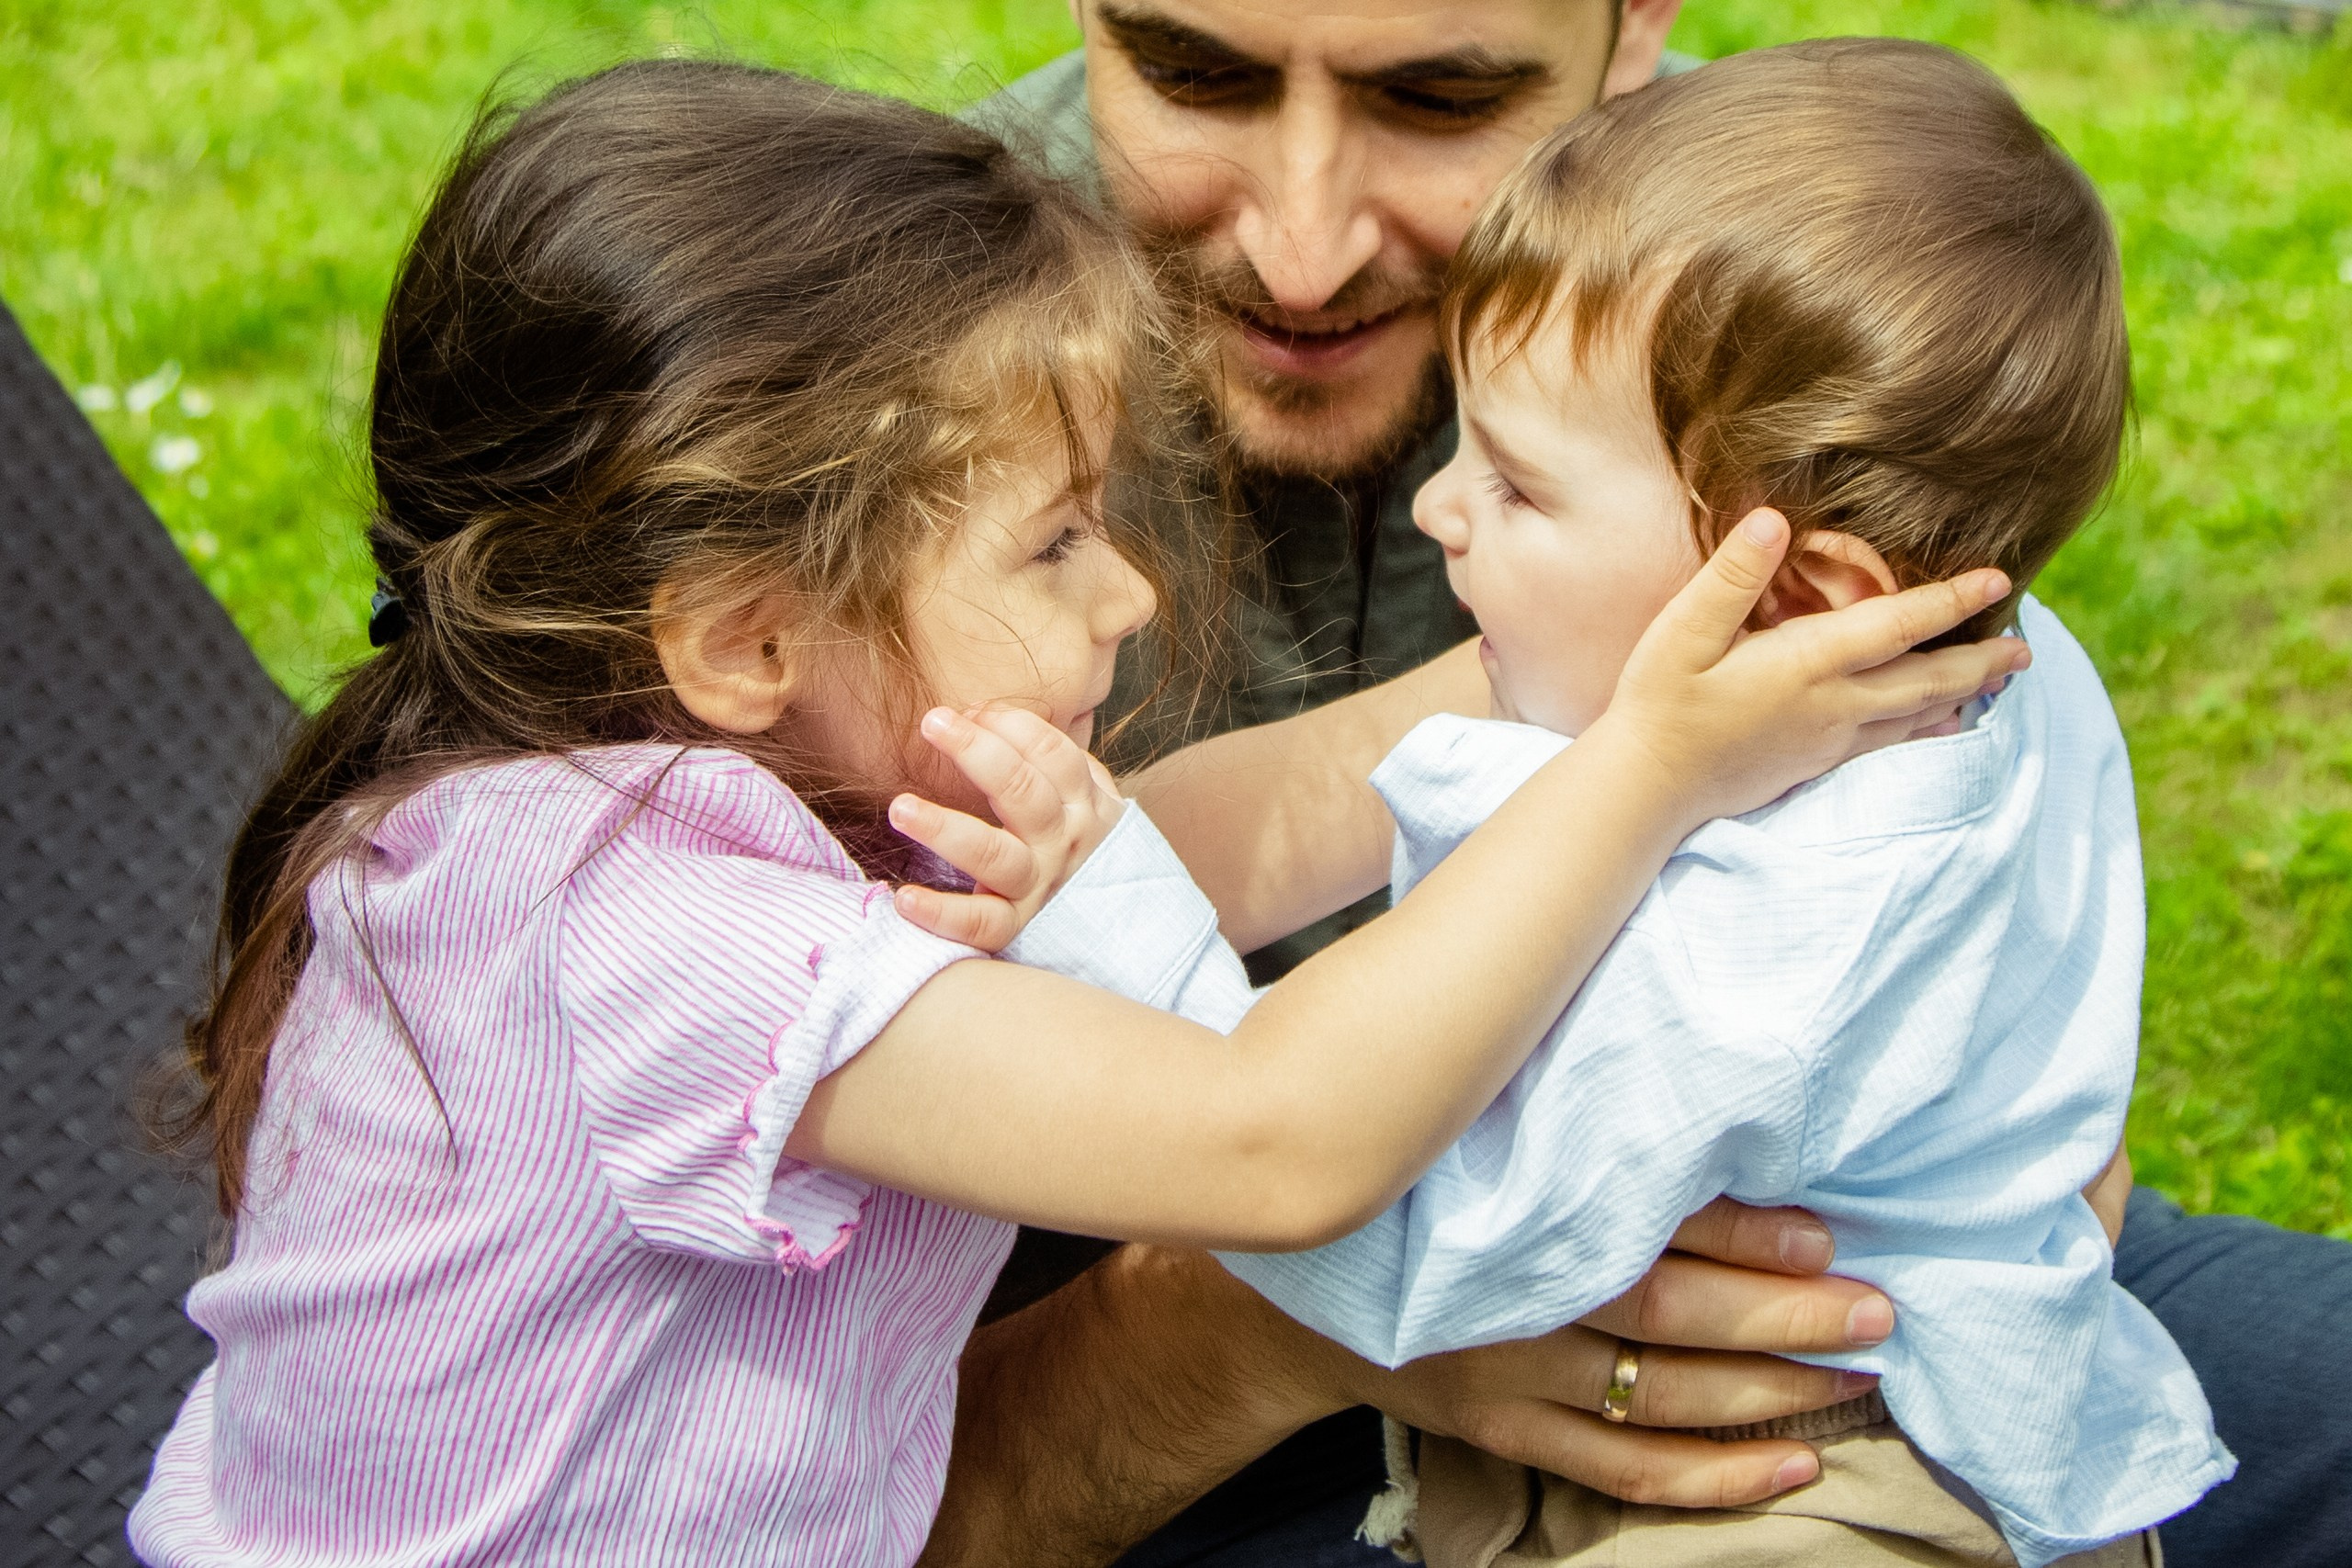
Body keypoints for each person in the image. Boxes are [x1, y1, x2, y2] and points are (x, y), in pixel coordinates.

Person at [127, 59, 2013, 1568]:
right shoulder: (634, 918)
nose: (1128, 596)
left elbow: (1191, 842)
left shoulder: (642, 794)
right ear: (746, 636)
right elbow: (1278, 1147)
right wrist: (1647, 768)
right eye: (1054, 542)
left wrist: (1599, 663)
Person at [954, 4, 2352, 1566]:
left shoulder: (1744, 269)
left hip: (1810, 1392)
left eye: (1439, 97)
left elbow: (1404, 1222)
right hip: (1180, 1380)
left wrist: (2005, 1148)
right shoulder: (872, 354)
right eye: (1195, 72)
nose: (1302, 249)